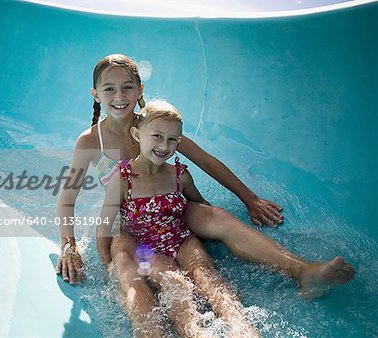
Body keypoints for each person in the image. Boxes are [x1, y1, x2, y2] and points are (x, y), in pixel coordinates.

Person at [55, 54, 355, 323]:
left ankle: (303, 271)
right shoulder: (91, 141)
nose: (119, 96)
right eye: (109, 89)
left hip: (171, 206)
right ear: (96, 94)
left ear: (140, 90)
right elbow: (66, 199)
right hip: (128, 220)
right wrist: (69, 246)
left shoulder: (155, 125)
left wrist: (248, 198)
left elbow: (207, 161)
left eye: (127, 87)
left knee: (219, 217)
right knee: (131, 266)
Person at [97, 100, 260, 337]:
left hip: (180, 237)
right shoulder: (123, 178)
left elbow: (198, 204)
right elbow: (105, 222)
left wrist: (215, 233)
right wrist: (106, 262)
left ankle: (242, 326)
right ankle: (191, 331)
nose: (165, 145)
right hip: (145, 245)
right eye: (157, 136)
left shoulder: (180, 175)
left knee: (207, 275)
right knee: (176, 286)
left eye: (172, 139)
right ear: (137, 134)